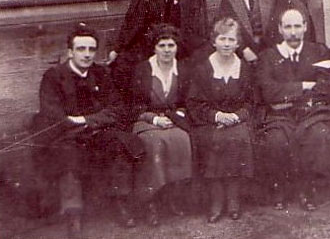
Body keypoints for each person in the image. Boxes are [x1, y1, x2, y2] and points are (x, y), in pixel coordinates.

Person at [31, 23, 143, 238]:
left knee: (120, 145)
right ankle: (74, 214)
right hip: (67, 135)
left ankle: (120, 203)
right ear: (70, 52)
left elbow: (115, 107)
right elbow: (52, 114)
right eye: (81, 49)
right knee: (68, 155)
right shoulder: (54, 77)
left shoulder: (101, 73)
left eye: (91, 49)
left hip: (96, 131)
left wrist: (85, 120)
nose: (87, 54)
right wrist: (79, 123)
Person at [257, 9, 330, 211]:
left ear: (304, 27)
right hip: (279, 116)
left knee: (319, 136)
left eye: (297, 26)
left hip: (311, 113)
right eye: (288, 27)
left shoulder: (319, 51)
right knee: (275, 140)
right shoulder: (268, 56)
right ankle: (282, 187)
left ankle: (309, 187)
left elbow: (326, 87)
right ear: (280, 29)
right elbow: (269, 92)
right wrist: (304, 86)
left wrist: (287, 94)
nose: (293, 32)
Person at [109, 0, 208, 102]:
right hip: (151, 45)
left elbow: (200, 23)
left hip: (182, 45)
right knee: (124, 66)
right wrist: (118, 48)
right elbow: (134, 20)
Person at [187, 18, 255, 223]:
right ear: (214, 41)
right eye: (222, 38)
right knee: (213, 140)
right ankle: (216, 199)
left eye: (231, 39)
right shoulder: (202, 69)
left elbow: (253, 102)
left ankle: (233, 198)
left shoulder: (244, 68)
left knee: (238, 138)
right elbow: (194, 103)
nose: (226, 43)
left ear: (238, 43)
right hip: (209, 122)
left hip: (238, 120)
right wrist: (216, 116)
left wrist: (236, 116)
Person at [129, 24, 193, 226]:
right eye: (162, 45)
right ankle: (151, 203)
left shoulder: (183, 69)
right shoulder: (143, 70)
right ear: (154, 47)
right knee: (154, 143)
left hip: (174, 121)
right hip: (146, 121)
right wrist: (154, 119)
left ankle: (172, 196)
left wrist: (174, 117)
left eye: (171, 45)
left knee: (182, 140)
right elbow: (134, 105)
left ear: (177, 47)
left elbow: (188, 101)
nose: (167, 50)